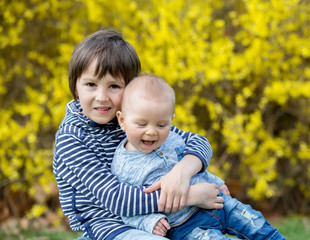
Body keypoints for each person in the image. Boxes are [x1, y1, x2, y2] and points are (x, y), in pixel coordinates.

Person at [53, 29, 226, 240]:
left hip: (155, 217)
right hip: (107, 226)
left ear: (130, 89)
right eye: (91, 84)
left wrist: (182, 172)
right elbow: (115, 198)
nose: (102, 97)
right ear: (76, 87)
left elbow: (198, 142)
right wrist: (191, 195)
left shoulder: (131, 120)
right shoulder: (72, 138)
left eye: (114, 86)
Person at [112, 74, 287, 240]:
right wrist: (150, 222)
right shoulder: (123, 166)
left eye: (161, 124)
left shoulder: (174, 138)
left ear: (171, 120)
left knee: (253, 222)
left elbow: (195, 168)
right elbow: (128, 209)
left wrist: (216, 182)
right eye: (142, 124)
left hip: (217, 203)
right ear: (122, 121)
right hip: (185, 227)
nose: (151, 131)